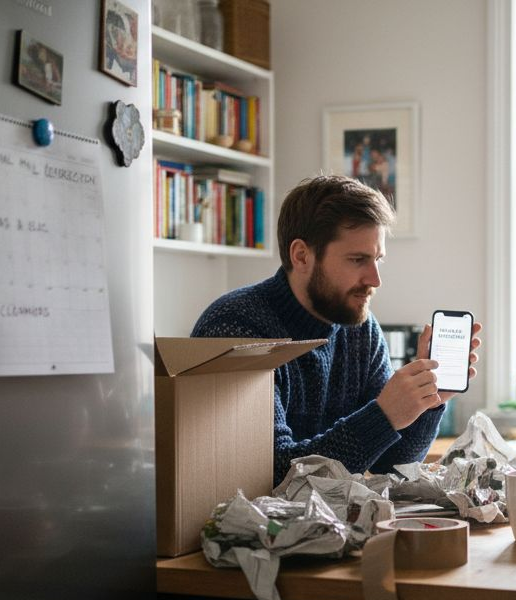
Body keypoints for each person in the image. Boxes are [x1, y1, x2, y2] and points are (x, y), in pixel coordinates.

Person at [191, 175, 481, 485]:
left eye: (378, 260)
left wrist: (428, 401)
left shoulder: (361, 330)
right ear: (301, 255)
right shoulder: (237, 328)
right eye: (358, 259)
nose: (375, 279)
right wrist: (383, 416)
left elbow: (393, 466)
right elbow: (272, 474)